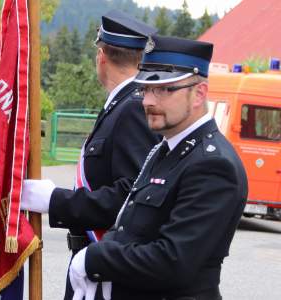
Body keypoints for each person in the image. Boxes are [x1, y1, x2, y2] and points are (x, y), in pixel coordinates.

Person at [68, 35, 248, 300]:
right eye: (146, 89)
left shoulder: (212, 164)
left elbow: (173, 262)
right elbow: (128, 226)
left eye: (164, 89)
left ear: (199, 94)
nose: (148, 101)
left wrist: (96, 258)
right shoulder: (164, 149)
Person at [21, 10, 159, 299]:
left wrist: (54, 200)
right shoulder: (119, 105)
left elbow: (130, 197)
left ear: (101, 56)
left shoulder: (131, 108)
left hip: (107, 268)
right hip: (92, 260)